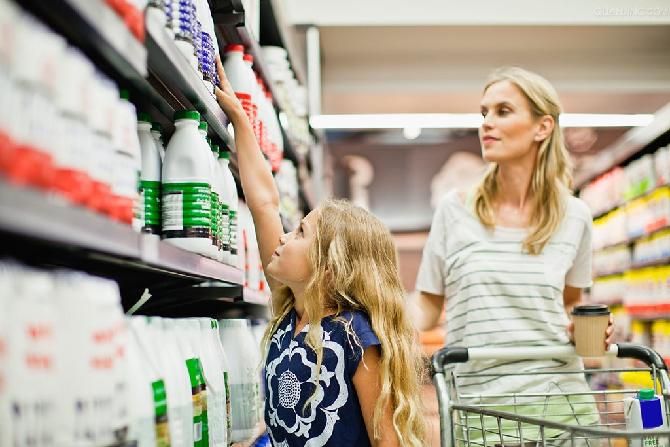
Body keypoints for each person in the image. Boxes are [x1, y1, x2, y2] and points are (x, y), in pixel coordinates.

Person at [214, 58, 425, 447]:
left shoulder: (357, 337)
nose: (283, 237)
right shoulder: (288, 311)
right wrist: (240, 120)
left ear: (330, 267)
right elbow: (263, 203)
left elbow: (386, 440)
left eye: (299, 233)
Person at [412, 66, 613, 444]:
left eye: (503, 111)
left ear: (543, 127)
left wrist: (585, 328)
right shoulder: (454, 210)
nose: (486, 123)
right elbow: (427, 303)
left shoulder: (575, 216)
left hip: (562, 407)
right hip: (478, 408)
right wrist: (377, 322)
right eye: (483, 113)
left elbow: (571, 303)